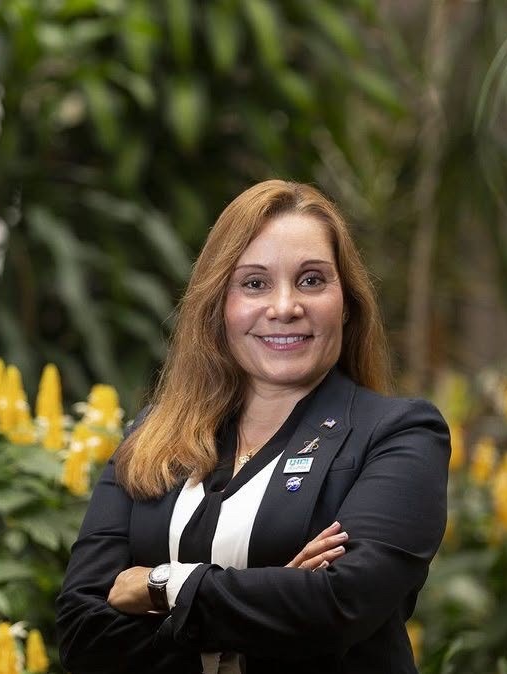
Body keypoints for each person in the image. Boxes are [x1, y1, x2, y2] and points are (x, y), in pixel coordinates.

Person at [56, 180, 450, 674]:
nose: (284, 307)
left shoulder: (399, 434)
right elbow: (82, 633)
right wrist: (276, 599)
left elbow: (339, 607)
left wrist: (163, 585)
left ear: (346, 302)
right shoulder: (152, 436)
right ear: (219, 305)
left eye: (311, 280)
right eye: (255, 283)